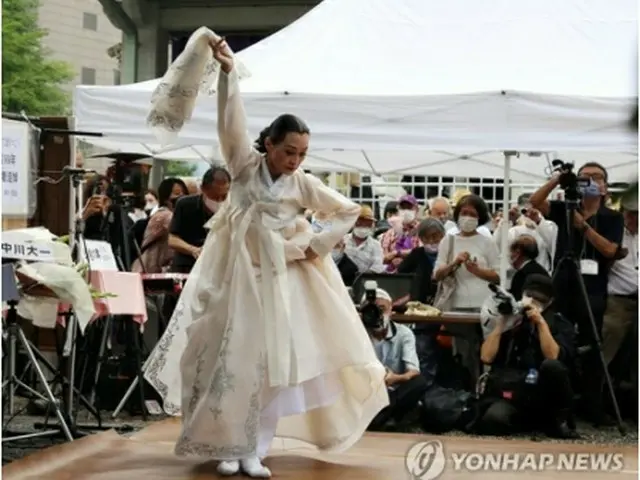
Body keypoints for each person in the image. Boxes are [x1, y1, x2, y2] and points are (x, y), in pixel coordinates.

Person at [143, 35, 388, 478]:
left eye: (301, 154)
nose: (294, 161)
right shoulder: (243, 166)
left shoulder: (303, 184)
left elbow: (349, 210)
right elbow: (230, 123)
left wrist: (308, 246)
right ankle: (226, 444)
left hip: (282, 283)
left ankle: (255, 447)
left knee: (274, 367)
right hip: (235, 275)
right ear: (269, 145)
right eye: (288, 151)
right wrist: (228, 74)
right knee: (226, 358)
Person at [529, 162, 624, 425]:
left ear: (605, 186)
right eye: (585, 177)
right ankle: (559, 404)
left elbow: (609, 250)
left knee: (593, 346)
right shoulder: (565, 208)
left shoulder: (612, 217)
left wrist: (583, 226)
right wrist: (558, 180)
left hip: (593, 288)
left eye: (597, 178)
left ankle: (593, 406)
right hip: (564, 283)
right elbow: (535, 202)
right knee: (559, 339)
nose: (591, 181)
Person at [478, 274, 577, 439]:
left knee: (552, 366)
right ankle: (529, 423)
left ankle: (555, 421)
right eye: (529, 296)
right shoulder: (514, 321)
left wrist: (540, 323)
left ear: (550, 302)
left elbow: (553, 356)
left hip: (544, 392)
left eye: (539, 299)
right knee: (493, 420)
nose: (532, 302)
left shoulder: (559, 324)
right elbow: (486, 357)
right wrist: (502, 324)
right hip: (515, 391)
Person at [365, 288, 428, 431]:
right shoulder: (358, 332)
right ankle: (388, 419)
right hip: (367, 390)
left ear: (391, 310)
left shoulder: (404, 333)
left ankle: (383, 416)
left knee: (419, 382)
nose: (378, 315)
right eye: (372, 310)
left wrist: (395, 378)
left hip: (394, 390)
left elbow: (413, 371)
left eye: (382, 309)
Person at [168, 166, 231, 274]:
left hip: (219, 269)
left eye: (224, 196)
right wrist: (193, 250)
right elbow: (172, 239)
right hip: (188, 267)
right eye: (215, 197)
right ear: (202, 189)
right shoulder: (185, 205)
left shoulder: (232, 208)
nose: (220, 201)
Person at [132, 178, 188, 274]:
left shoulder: (171, 214)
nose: (181, 197)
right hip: (150, 271)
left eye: (184, 193)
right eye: (177, 193)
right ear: (165, 197)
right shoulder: (165, 215)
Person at [397, 218, 445, 304]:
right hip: (419, 303)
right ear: (421, 239)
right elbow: (401, 273)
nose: (431, 241)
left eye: (434, 236)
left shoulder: (448, 253)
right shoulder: (416, 253)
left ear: (442, 236)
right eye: (426, 238)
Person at [338, 205, 385, 275]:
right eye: (360, 223)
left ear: (371, 225)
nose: (363, 226)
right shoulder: (342, 240)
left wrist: (360, 276)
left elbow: (377, 267)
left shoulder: (376, 245)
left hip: (364, 281)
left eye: (367, 224)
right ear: (354, 222)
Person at [380, 194, 421, 272]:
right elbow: (383, 257)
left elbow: (421, 253)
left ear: (416, 210)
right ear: (398, 210)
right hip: (392, 275)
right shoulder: (389, 233)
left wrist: (397, 253)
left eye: (409, 208)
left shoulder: (422, 230)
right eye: (403, 208)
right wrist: (391, 260)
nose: (406, 211)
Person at [508, 235, 549, 301]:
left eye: (511, 251)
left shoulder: (522, 275)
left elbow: (518, 301)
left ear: (518, 253)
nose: (510, 255)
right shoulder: (539, 270)